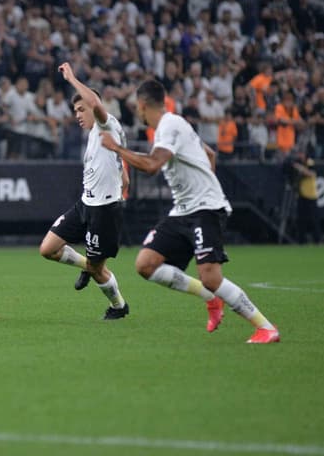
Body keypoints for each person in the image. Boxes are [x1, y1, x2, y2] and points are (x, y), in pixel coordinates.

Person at [100, 79, 279, 343]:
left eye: (137, 109)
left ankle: (265, 327)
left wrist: (116, 148)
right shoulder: (173, 126)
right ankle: (211, 299)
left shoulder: (169, 125)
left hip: (205, 209)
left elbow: (151, 165)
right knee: (146, 264)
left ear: (142, 105)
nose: (138, 114)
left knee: (211, 276)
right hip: (184, 210)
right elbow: (210, 155)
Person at [38, 63, 130, 320]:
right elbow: (116, 161)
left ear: (94, 105)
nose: (77, 115)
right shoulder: (95, 133)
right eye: (75, 110)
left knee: (99, 269)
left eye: (81, 109)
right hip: (85, 204)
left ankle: (118, 306)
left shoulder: (105, 123)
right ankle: (86, 266)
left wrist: (72, 78)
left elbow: (97, 104)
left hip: (105, 210)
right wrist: (123, 176)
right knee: (48, 249)